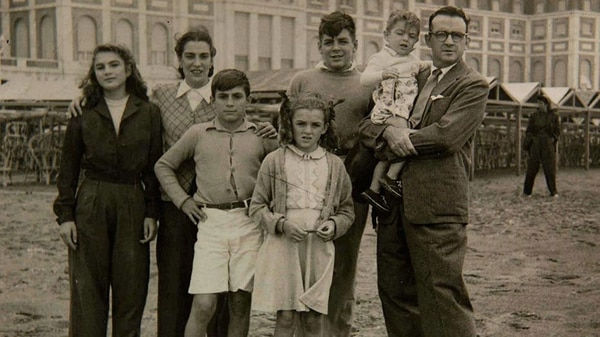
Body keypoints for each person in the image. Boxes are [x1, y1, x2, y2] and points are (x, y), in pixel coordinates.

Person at [68, 28, 276, 337]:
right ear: (178, 60)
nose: (196, 63)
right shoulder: (160, 95)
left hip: (220, 206)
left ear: (212, 59)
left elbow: (248, 134)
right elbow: (119, 97)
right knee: (176, 285)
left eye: (203, 56)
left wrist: (267, 132)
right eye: (189, 56)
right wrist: (83, 94)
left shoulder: (223, 94)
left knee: (224, 289)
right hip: (174, 204)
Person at [359, 6, 489, 337]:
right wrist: (388, 132)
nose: (449, 41)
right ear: (428, 40)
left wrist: (397, 138)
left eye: (456, 35)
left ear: (466, 40)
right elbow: (367, 123)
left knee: (442, 299)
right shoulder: (411, 75)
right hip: (392, 207)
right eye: (441, 34)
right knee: (396, 295)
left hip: (437, 209)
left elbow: (446, 137)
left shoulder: (472, 84)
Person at [154, 69, 279, 337]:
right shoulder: (198, 133)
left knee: (239, 302)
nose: (230, 103)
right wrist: (183, 201)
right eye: (223, 97)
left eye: (237, 96)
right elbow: (163, 165)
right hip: (211, 224)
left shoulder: (261, 135)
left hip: (249, 224)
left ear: (249, 99)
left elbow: (283, 167)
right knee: (204, 303)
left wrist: (276, 137)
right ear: (213, 100)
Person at [53, 44, 162, 337]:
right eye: (100, 67)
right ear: (94, 73)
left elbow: (153, 167)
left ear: (128, 69)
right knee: (87, 290)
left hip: (132, 200)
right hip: (91, 200)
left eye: (114, 65)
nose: (107, 71)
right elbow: (68, 168)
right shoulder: (83, 112)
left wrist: (152, 212)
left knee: (132, 288)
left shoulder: (149, 112)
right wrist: (65, 216)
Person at [286, 11, 373, 337]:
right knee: (304, 260)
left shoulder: (367, 84)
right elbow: (287, 130)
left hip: (352, 182)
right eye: (328, 42)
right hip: (305, 181)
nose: (336, 48)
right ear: (319, 45)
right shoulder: (302, 81)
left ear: (355, 44)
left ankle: (337, 331)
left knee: (344, 264)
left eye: (343, 42)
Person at [249, 92, 355, 337]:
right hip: (284, 246)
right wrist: (281, 224)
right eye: (301, 124)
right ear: (290, 124)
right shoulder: (274, 161)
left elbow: (347, 210)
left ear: (325, 127)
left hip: (318, 248)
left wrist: (334, 224)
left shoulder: (335, 165)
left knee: (313, 317)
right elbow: (256, 207)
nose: (307, 131)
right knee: (286, 317)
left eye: (315, 125)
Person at [359, 10, 429, 213]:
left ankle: (373, 190)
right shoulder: (380, 58)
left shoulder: (413, 60)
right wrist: (382, 74)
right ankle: (390, 179)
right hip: (388, 111)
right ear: (386, 35)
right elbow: (364, 80)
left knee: (387, 155)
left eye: (412, 36)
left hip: (401, 112)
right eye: (400, 33)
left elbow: (428, 66)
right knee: (406, 141)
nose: (405, 39)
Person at [523, 94, 561, 198]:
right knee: (532, 167)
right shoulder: (534, 116)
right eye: (538, 103)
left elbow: (557, 131)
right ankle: (527, 191)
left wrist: (552, 139)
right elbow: (529, 130)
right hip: (535, 143)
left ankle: (553, 191)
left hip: (547, 143)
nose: (539, 105)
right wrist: (530, 141)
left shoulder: (554, 116)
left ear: (546, 104)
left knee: (549, 168)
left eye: (541, 103)